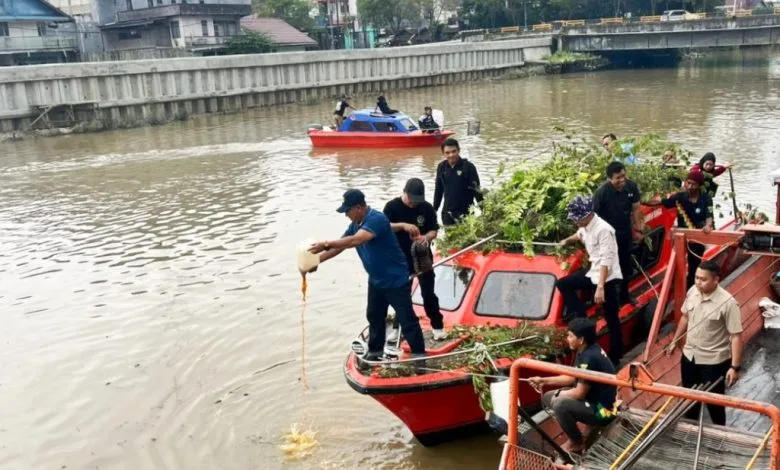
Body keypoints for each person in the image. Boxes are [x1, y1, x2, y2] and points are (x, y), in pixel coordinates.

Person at [306, 189, 426, 361]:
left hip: (395, 280)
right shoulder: (356, 224)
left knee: (407, 319)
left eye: (347, 211)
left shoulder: (376, 219)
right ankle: (375, 352)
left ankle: (419, 355)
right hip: (376, 280)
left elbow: (356, 240)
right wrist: (316, 261)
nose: (346, 215)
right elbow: (340, 246)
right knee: (374, 316)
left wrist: (324, 243)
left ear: (359, 207)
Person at [666, 260, 743, 426]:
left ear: (716, 280)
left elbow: (736, 336)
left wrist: (735, 367)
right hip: (690, 356)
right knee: (689, 400)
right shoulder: (692, 292)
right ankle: (691, 431)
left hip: (714, 362)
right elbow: (685, 317)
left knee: (715, 404)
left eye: (703, 279)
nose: (698, 282)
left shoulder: (728, 303)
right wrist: (675, 341)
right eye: (696, 278)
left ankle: (719, 433)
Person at [528, 318, 618, 454]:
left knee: (560, 405)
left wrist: (559, 394)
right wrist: (543, 381)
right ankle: (586, 423)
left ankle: (577, 442)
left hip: (605, 411)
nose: (567, 339)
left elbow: (579, 393)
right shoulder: (586, 349)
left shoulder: (589, 358)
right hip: (595, 399)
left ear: (581, 339)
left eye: (570, 336)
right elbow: (572, 377)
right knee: (547, 397)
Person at [556, 196, 623, 366]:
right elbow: (579, 235)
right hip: (593, 270)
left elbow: (607, 260)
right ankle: (582, 318)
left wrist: (600, 287)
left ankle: (616, 357)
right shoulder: (585, 226)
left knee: (611, 316)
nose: (575, 222)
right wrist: (566, 241)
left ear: (587, 215)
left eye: (576, 219)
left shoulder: (604, 230)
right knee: (563, 284)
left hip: (607, 276)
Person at [383, 178, 446, 342]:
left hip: (422, 257)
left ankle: (438, 326)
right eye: (411, 200)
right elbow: (383, 227)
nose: (413, 204)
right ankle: (398, 328)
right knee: (402, 296)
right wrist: (402, 225)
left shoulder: (426, 208)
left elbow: (434, 230)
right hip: (400, 259)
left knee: (428, 293)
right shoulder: (392, 207)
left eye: (417, 201)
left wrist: (426, 237)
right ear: (404, 192)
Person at [644, 170, 714, 289]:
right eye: (688, 183)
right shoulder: (679, 197)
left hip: (697, 237)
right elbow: (659, 202)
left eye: (693, 184)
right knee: (676, 262)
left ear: (699, 185)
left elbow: (709, 216)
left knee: (694, 265)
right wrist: (639, 201)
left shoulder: (706, 199)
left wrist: (708, 226)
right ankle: (675, 285)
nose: (690, 187)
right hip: (681, 237)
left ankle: (690, 289)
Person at [593, 161, 644, 304]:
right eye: (618, 178)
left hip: (625, 232)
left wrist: (638, 229)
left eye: (623, 176)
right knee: (608, 266)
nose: (622, 180)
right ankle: (608, 298)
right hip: (607, 236)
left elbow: (636, 209)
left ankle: (624, 295)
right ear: (609, 178)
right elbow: (593, 217)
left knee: (625, 265)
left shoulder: (631, 186)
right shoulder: (601, 193)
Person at [433, 138, 483, 226]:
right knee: (449, 235)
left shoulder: (468, 167)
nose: (451, 155)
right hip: (447, 215)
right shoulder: (441, 167)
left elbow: (477, 191)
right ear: (443, 153)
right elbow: (438, 191)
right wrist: (434, 210)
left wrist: (484, 210)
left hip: (466, 215)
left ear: (459, 150)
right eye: (447, 152)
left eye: (454, 151)